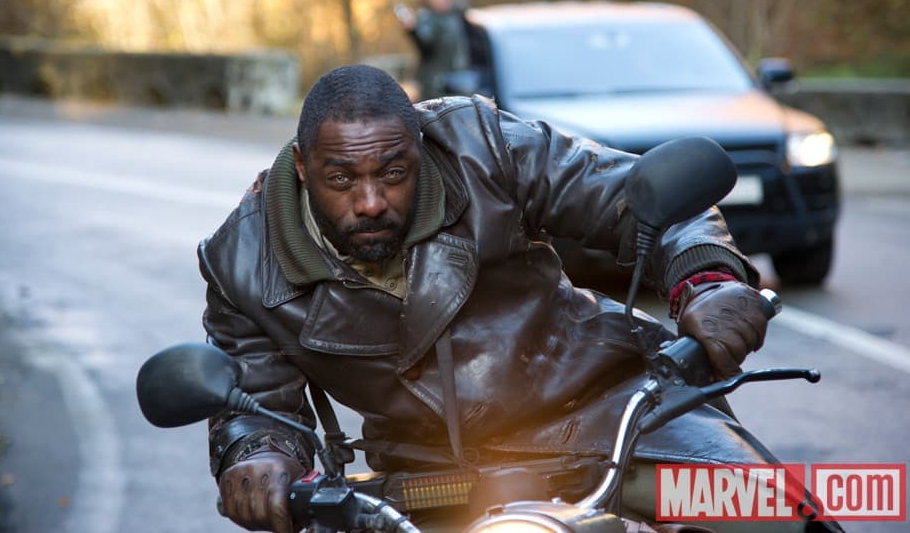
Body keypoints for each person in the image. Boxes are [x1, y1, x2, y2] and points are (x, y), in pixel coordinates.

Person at [199, 64, 771, 533]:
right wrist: (256, 451)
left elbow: (638, 197)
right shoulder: (239, 262)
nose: (370, 202)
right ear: (302, 167)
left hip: (609, 411)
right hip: (428, 472)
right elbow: (253, 399)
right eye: (342, 179)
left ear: (419, 150)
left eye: (393, 173)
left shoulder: (480, 145)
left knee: (764, 512)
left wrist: (707, 279)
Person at [394, 0, 470, 100]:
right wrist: (413, 31)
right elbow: (426, 45)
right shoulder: (425, 19)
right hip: (435, 92)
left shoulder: (459, 13)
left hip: (463, 86)